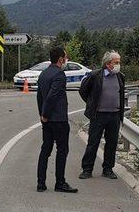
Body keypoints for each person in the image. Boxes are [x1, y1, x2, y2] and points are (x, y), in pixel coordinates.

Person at [78, 50, 125, 180]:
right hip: (98, 115)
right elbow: (83, 90)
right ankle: (87, 169)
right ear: (108, 63)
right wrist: (91, 103)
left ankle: (108, 169)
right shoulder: (95, 76)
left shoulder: (120, 76)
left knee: (111, 143)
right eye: (116, 62)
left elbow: (120, 94)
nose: (118, 65)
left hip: (114, 115)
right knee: (93, 142)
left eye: (119, 62)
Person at [36, 47, 78, 193]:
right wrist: (46, 114)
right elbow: (52, 96)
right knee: (62, 151)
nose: (66, 60)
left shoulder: (44, 73)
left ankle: (41, 183)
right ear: (60, 59)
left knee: (45, 150)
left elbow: (40, 97)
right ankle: (60, 183)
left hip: (46, 120)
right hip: (58, 119)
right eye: (66, 57)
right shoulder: (59, 75)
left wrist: (42, 115)